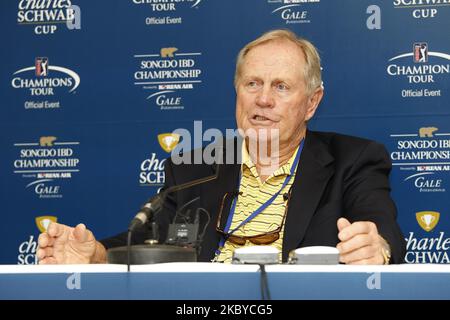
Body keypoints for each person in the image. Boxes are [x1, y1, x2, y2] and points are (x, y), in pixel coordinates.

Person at [37, 29, 406, 265]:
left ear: (311, 103)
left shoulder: (353, 160)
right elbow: (152, 241)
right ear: (237, 92)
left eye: (280, 87)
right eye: (252, 84)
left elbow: (383, 229)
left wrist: (378, 248)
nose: (263, 99)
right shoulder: (193, 167)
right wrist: (94, 253)